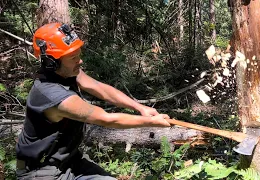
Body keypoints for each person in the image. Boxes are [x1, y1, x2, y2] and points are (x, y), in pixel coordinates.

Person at [15, 23, 171, 180]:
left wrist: (140, 107)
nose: (80, 61)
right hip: (41, 172)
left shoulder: (67, 72)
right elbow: (106, 119)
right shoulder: (51, 95)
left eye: (79, 54)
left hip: (70, 162)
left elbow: (99, 88)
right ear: (51, 62)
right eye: (73, 57)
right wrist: (151, 121)